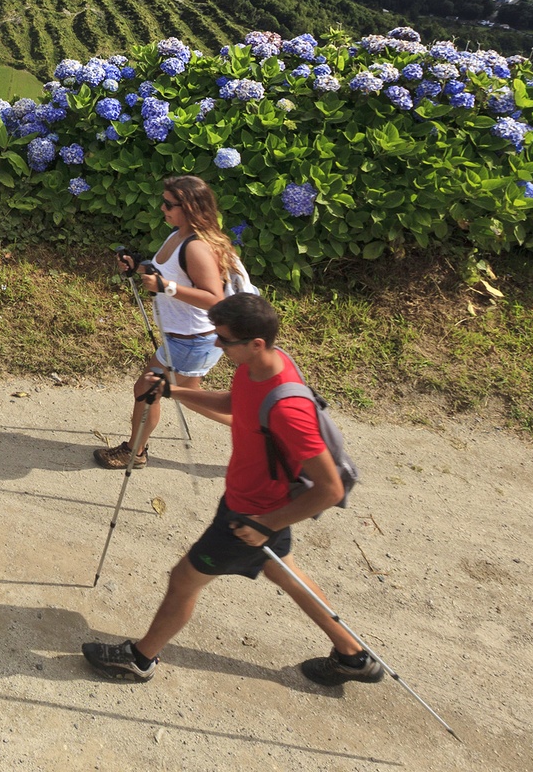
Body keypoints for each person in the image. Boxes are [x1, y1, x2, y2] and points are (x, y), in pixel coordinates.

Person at [82, 292, 385, 689]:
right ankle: (353, 656)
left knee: (183, 579)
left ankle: (140, 659)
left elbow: (328, 488)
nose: (217, 345)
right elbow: (234, 401)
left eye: (224, 339)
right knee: (285, 572)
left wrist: (265, 523)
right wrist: (173, 391)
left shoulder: (288, 410)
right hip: (255, 506)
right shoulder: (258, 368)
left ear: (255, 343)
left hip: (250, 515)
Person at [94, 174, 243, 469]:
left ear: (188, 207)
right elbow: (170, 273)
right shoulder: (178, 235)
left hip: (192, 340)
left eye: (168, 204)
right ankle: (259, 429)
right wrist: (139, 267)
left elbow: (214, 299)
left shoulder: (196, 247)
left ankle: (134, 453)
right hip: (185, 338)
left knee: (147, 390)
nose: (162, 208)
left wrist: (165, 288)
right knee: (189, 397)